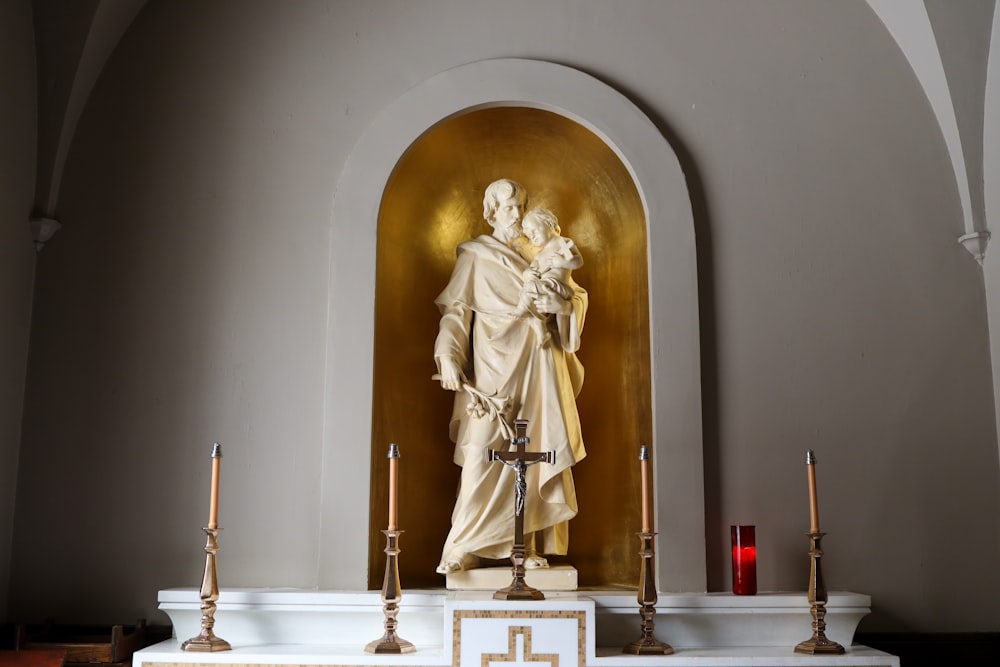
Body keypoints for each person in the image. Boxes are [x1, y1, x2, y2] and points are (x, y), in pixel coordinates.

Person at [433, 178, 588, 574]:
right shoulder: (475, 255)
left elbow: (573, 293)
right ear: (491, 212)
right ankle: (465, 542)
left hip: (538, 364)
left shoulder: (541, 249)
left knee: (534, 454)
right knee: (482, 452)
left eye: (520, 206)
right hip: (491, 368)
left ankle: (525, 543)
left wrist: (564, 307)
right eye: (507, 208)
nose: (516, 214)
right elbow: (456, 312)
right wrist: (448, 357)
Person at [512, 208, 584, 347]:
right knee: (530, 292)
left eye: (535, 231)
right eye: (529, 235)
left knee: (532, 288)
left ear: (549, 225)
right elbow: (532, 268)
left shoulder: (563, 243)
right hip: (545, 286)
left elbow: (578, 261)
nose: (533, 237)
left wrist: (562, 262)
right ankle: (541, 331)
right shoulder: (540, 255)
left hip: (558, 286)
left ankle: (522, 309)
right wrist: (527, 273)